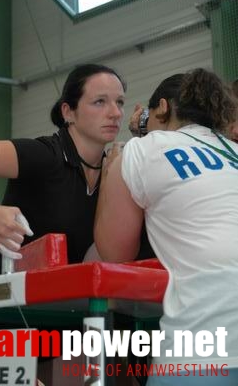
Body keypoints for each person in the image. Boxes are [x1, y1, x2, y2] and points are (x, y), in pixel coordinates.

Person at [94, 68, 238, 385]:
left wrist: (110, 169)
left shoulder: (142, 150)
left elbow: (115, 255)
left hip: (205, 346)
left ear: (162, 108)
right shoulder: (233, 151)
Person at [0, 63, 127, 277]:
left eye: (119, 102)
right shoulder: (45, 154)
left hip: (59, 300)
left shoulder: (113, 172)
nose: (115, 113)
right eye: (100, 102)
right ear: (68, 112)